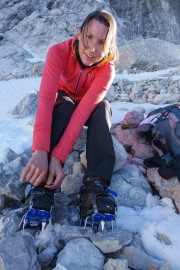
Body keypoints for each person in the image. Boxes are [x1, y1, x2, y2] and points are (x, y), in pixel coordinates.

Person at [20, 9, 118, 227]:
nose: (93, 49)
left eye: (102, 42)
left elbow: (82, 113)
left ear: (109, 45)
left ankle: (95, 185)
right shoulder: (58, 52)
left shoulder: (107, 69)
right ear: (79, 32)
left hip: (88, 105)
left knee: (103, 108)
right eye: (89, 37)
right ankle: (44, 186)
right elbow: (46, 99)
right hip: (65, 99)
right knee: (64, 106)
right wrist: (41, 151)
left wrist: (58, 157)